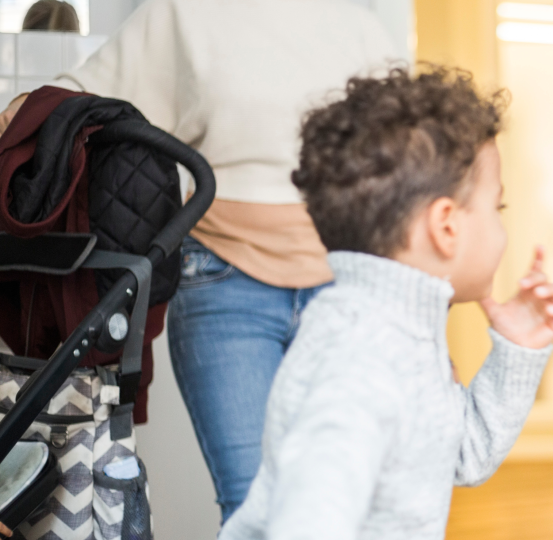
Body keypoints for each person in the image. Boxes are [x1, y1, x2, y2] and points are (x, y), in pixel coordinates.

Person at [0, 0, 399, 522]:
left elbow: (406, 176)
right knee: (253, 506)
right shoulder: (186, 12)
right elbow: (68, 99)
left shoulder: (361, 26)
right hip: (225, 283)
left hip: (347, 288)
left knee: (355, 502)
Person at [219, 65, 553, 539]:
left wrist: (516, 351)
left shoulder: (402, 334)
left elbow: (462, 456)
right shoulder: (361, 358)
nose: (503, 228)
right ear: (447, 226)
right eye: (497, 207)